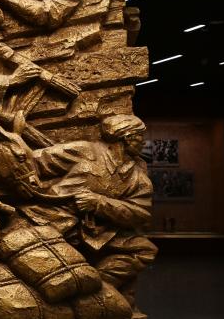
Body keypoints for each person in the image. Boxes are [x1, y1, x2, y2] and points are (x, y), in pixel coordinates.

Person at [19, 114, 157, 293]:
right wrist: (27, 181)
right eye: (140, 136)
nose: (143, 142)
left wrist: (99, 203)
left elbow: (140, 213)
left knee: (144, 250)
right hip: (53, 217)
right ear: (126, 137)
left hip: (96, 231)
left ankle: (97, 288)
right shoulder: (85, 150)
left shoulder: (138, 175)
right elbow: (35, 161)